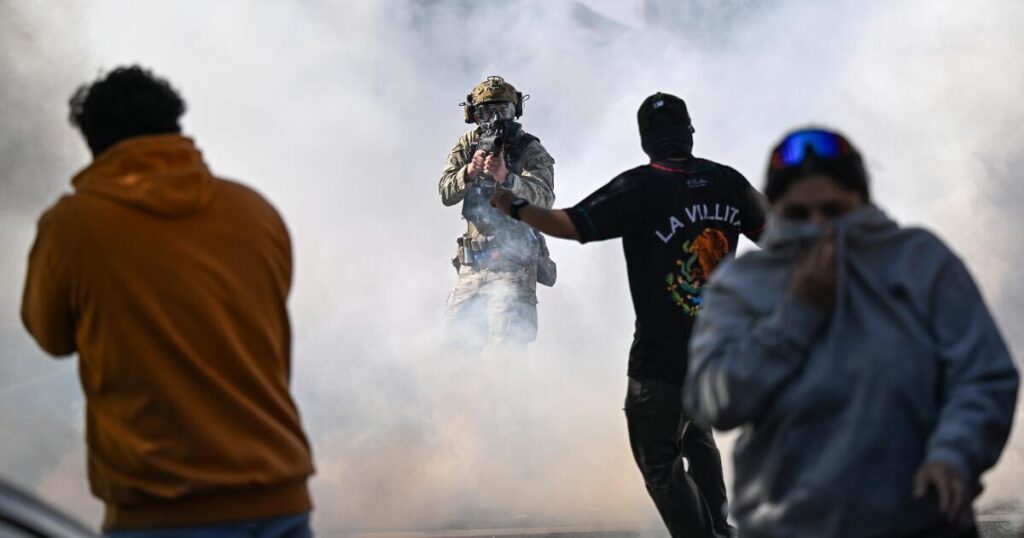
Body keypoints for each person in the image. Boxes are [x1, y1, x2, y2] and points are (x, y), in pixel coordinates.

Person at [20, 66, 316, 536]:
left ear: (95, 144)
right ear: (175, 127)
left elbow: (51, 336)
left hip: (160, 509)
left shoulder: (71, 227)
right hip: (280, 500)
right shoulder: (254, 211)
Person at [684, 127, 1020, 537]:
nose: (819, 226)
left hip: (923, 521)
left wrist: (955, 453)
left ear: (861, 201)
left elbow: (983, 375)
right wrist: (797, 315)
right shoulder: (742, 284)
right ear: (775, 213)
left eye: (834, 210)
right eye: (798, 215)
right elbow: (714, 400)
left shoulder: (919, 261)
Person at [491, 92, 766, 538]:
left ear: (645, 140)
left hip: (660, 362)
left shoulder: (642, 186)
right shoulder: (728, 182)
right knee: (696, 434)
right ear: (690, 133)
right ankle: (719, 526)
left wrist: (516, 207)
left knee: (660, 461)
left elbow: (573, 224)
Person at [439, 75, 556, 355]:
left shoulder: (529, 149)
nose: (495, 118)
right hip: (473, 265)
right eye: (486, 111)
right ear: (474, 115)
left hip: (514, 263)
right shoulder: (467, 145)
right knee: (456, 349)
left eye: (503, 109)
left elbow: (544, 198)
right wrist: (469, 172)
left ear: (515, 110)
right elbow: (445, 193)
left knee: (507, 351)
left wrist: (507, 177)